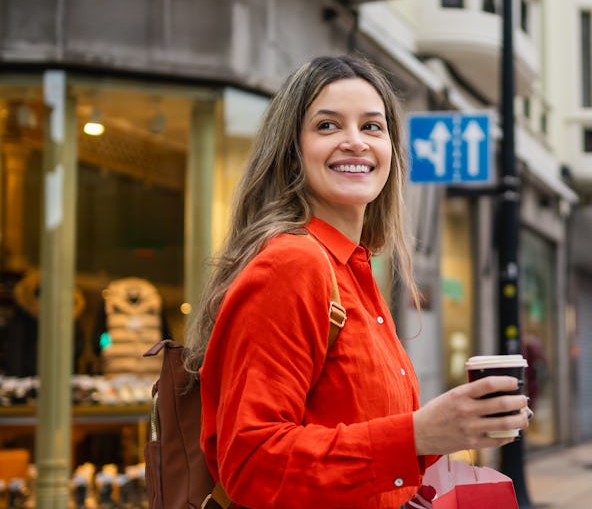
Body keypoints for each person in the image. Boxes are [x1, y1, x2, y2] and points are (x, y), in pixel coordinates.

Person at [182, 55, 531, 509]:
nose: (355, 142)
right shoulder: (292, 264)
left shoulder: (351, 268)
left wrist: (449, 432)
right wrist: (417, 434)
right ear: (292, 151)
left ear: (391, 150)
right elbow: (252, 464)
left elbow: (362, 450)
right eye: (327, 126)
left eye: (372, 126)